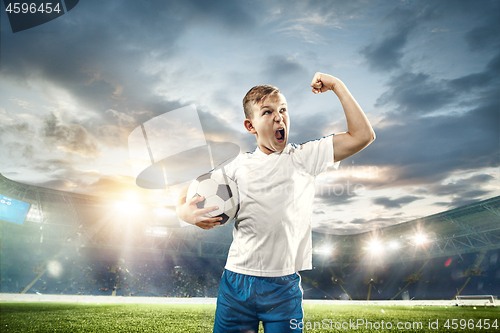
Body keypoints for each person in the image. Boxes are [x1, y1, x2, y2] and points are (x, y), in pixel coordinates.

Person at [176, 72, 375, 332]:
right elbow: (189, 189)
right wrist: (184, 213)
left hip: (283, 287)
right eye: (268, 112)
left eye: (283, 110)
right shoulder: (237, 166)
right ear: (251, 126)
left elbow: (363, 136)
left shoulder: (305, 156)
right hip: (236, 283)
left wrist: (338, 85)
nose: (279, 117)